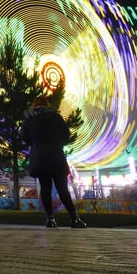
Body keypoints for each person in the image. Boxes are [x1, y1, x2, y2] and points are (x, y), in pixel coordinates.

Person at [21, 96, 87, 229]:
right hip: (56, 155)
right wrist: (56, 143)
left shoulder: (29, 119)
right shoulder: (55, 117)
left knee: (45, 188)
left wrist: (36, 144)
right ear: (47, 104)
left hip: (40, 157)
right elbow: (66, 134)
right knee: (62, 188)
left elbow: (24, 137)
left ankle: (50, 219)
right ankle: (74, 218)